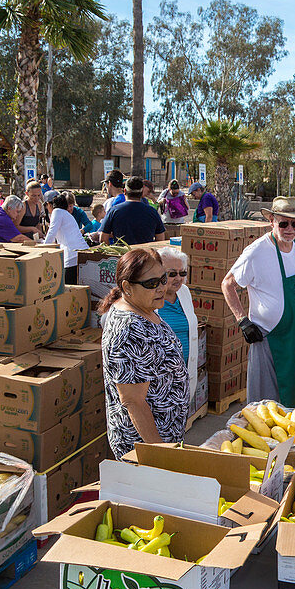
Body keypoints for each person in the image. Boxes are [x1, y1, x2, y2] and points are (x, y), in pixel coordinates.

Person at [221, 196, 295, 408]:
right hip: (270, 337)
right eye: (283, 223)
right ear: (271, 220)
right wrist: (243, 321)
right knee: (265, 404)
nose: (290, 229)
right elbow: (227, 284)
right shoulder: (257, 252)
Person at [99, 248, 188, 459]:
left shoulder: (145, 310)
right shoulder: (130, 329)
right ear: (127, 287)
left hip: (165, 436)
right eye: (151, 283)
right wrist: (158, 454)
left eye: (162, 279)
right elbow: (133, 401)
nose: (161, 288)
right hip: (144, 447)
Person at [155, 246, 199, 404]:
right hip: (158, 381)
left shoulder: (184, 292)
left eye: (183, 273)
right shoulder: (147, 297)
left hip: (184, 377)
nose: (178, 278)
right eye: (172, 274)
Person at [100, 176, 166, 245]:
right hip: (145, 254)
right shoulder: (152, 212)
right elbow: (160, 239)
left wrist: (112, 252)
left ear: (125, 191)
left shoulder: (114, 211)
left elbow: (103, 238)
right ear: (141, 192)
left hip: (122, 254)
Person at [42, 192, 89, 284]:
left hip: (72, 255)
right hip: (79, 253)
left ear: (49, 204)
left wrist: (41, 248)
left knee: (69, 287)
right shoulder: (65, 214)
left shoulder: (57, 212)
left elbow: (52, 232)